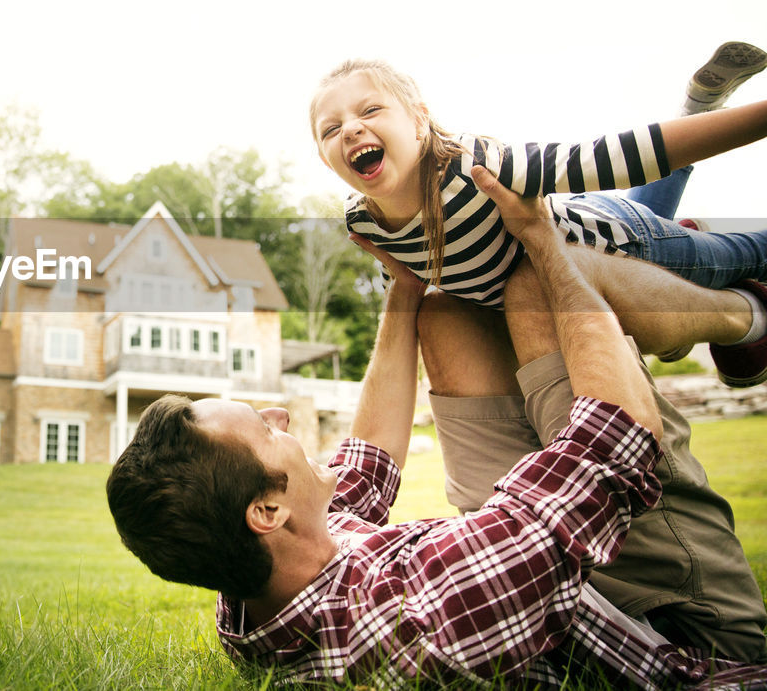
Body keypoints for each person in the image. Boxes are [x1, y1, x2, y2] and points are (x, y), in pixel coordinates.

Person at [106, 168, 767, 687]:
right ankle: (746, 317)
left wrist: (403, 287)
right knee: (544, 276)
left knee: (446, 312)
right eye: (267, 429)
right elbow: (614, 451)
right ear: (268, 508)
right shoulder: (426, 612)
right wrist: (540, 237)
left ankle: (660, 290)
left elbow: (361, 471)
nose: (281, 416)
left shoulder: (255, 598)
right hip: (685, 637)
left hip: (560, 587)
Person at [310, 43, 767, 387]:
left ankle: (697, 131)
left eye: (370, 110)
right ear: (325, 159)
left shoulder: (480, 166)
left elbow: (614, 157)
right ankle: (698, 104)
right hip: (597, 246)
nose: (350, 128)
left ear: (418, 120)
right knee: (649, 216)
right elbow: (407, 295)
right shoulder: (365, 223)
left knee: (744, 254)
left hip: (626, 246)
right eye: (330, 129)